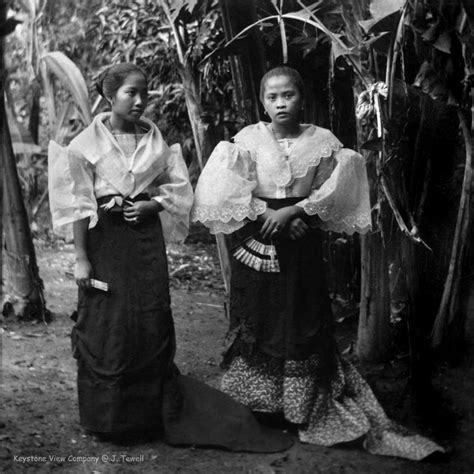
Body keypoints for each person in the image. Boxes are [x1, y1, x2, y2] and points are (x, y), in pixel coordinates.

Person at [192, 65, 444, 460]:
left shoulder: (322, 140)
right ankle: (258, 403)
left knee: (300, 313)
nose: (280, 103)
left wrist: (295, 211)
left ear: (302, 98)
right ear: (262, 102)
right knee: (260, 314)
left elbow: (337, 187)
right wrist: (267, 214)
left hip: (302, 239)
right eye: (272, 97)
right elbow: (223, 187)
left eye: (288, 95)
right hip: (256, 235)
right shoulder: (247, 139)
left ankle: (299, 405)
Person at [48, 62, 292, 452]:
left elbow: (179, 191)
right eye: (131, 93)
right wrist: (81, 258)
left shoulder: (156, 143)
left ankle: (146, 415)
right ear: (110, 96)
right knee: (107, 325)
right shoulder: (83, 147)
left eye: (145, 92)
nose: (141, 101)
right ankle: (107, 418)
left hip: (144, 245)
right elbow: (78, 205)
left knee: (148, 319)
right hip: (104, 243)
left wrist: (153, 206)